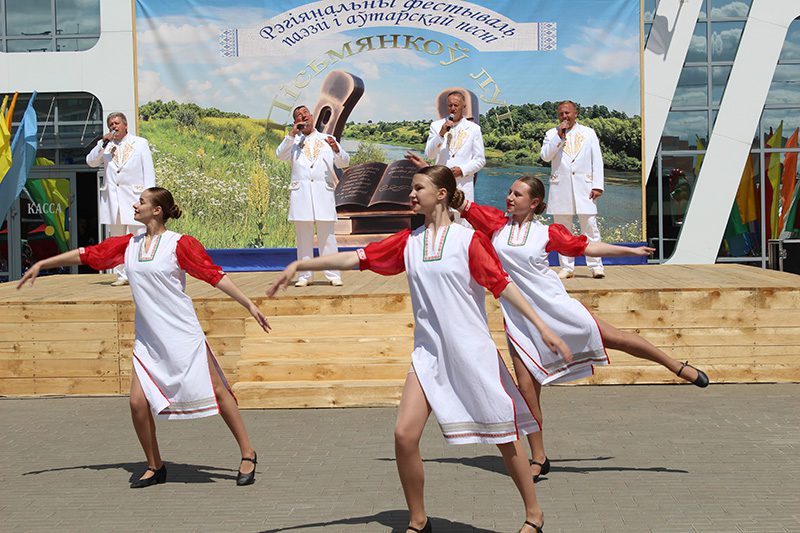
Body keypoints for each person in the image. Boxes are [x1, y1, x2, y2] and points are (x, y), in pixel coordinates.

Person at [268, 165, 570, 533]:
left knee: (505, 439)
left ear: (441, 194)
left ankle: (534, 515)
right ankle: (418, 519)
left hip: (471, 354)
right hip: (428, 354)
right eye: (412, 188)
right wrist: (303, 262)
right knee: (404, 435)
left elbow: (502, 285)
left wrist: (543, 328)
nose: (411, 194)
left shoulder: (468, 241)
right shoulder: (409, 243)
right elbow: (358, 258)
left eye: (418, 188)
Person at [455, 175, 710, 482]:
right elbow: (459, 201)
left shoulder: (547, 232)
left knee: (616, 338)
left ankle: (676, 366)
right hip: (520, 318)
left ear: (534, 203)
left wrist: (630, 252)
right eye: (509, 192)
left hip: (557, 309)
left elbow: (586, 246)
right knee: (526, 388)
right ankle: (538, 457)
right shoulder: (496, 224)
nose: (509, 197)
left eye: (517, 194)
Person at [18, 187, 270, 488]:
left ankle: (247, 452)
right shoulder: (129, 244)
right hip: (149, 338)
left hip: (181, 332)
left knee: (217, 391)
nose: (135, 206)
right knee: (138, 403)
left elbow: (213, 275)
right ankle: (155, 465)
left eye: (142, 202)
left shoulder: (179, 244)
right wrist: (42, 264)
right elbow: (89, 254)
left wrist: (250, 304)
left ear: (157, 210)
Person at [276, 105, 349, 287]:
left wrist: (336, 150)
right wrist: (292, 134)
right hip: (301, 194)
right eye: (299, 116)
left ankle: (333, 274)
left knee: (327, 236)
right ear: (296, 122)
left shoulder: (327, 139)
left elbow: (344, 162)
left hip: (322, 193)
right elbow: (280, 156)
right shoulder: (292, 141)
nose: (303, 117)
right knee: (303, 237)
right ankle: (304, 276)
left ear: (312, 116)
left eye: (305, 113)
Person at [86, 112, 156, 286]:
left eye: (116, 123)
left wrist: (149, 198)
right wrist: (103, 143)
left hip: (134, 198)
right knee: (116, 240)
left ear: (125, 125)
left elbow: (148, 172)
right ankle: (121, 275)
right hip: (113, 200)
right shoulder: (105, 145)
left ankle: (141, 273)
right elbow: (91, 162)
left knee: (138, 236)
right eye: (110, 124)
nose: (113, 126)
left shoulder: (140, 143)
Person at [540, 100, 605, 279]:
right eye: (561, 113)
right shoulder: (551, 134)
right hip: (561, 188)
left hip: (585, 188)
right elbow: (545, 156)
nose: (564, 116)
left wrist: (598, 185)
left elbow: (597, 160)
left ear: (576, 114)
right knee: (562, 230)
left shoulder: (588, 133)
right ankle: (567, 267)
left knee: (590, 228)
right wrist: (558, 138)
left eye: (568, 113)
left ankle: (596, 266)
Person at [417, 91, 485, 225]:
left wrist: (462, 170)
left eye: (456, 105)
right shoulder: (436, 126)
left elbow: (480, 160)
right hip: (440, 187)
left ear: (463, 106)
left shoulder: (474, 129)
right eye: (450, 105)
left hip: (463, 186)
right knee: (438, 225)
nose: (453, 109)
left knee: (463, 227)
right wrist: (441, 134)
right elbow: (429, 155)